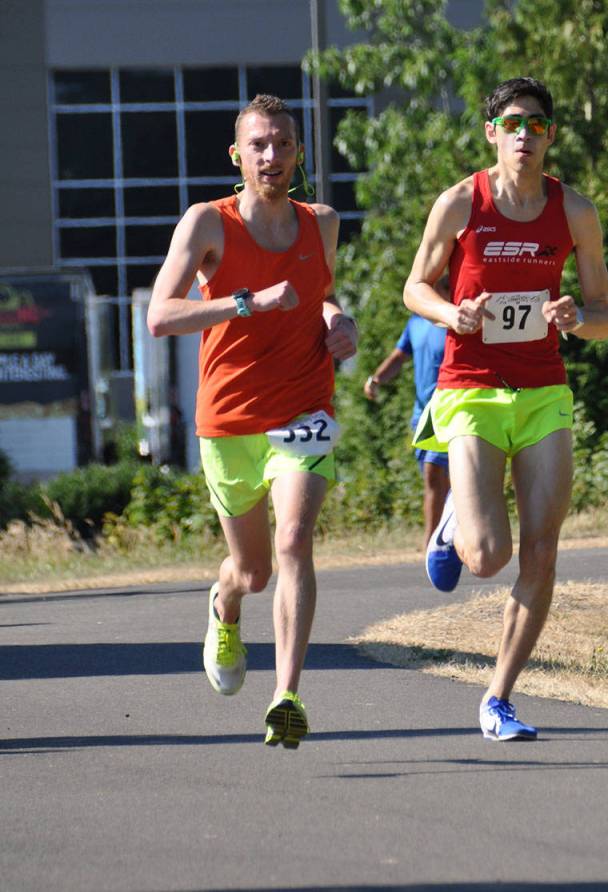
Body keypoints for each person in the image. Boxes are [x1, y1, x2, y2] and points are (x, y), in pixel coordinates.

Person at [403, 77, 608, 741]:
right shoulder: (460, 203)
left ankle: (498, 699)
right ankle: (454, 526)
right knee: (488, 557)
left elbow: (604, 316)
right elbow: (415, 287)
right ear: (492, 132)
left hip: (543, 391)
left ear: (550, 136)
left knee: (542, 552)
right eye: (514, 123)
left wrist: (575, 318)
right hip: (470, 389)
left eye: (538, 124)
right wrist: (452, 314)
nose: (526, 134)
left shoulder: (574, 211)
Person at [147, 94, 358, 749]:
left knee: (295, 539)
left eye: (283, 144)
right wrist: (246, 303)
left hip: (304, 408)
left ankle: (286, 696)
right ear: (238, 155)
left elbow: (321, 297)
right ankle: (225, 602)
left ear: (299, 154)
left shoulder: (322, 222)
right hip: (229, 419)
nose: (272, 156)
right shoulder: (207, 223)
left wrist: (340, 322)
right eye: (259, 145)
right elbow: (160, 316)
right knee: (255, 572)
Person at [363, 276, 450, 552]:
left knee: (435, 474)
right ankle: (443, 537)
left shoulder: (454, 321)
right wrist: (376, 379)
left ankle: (433, 542)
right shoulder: (416, 322)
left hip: (450, 409)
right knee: (436, 478)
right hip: (422, 414)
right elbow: (399, 356)